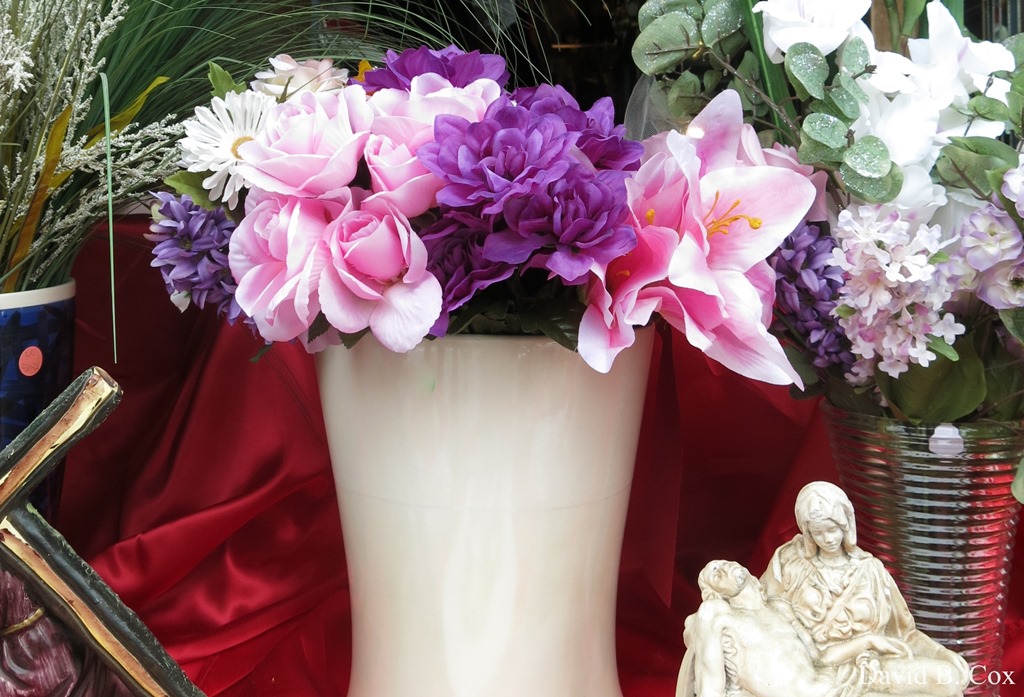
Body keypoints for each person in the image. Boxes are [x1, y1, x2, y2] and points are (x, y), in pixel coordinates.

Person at [759, 481, 969, 697]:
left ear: (846, 525)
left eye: (832, 529)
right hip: (816, 674)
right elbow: (759, 613)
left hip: (874, 668)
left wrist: (941, 653)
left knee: (948, 679)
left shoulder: (872, 571)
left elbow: (905, 634)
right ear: (808, 533)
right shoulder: (790, 563)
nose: (828, 539)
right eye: (818, 532)